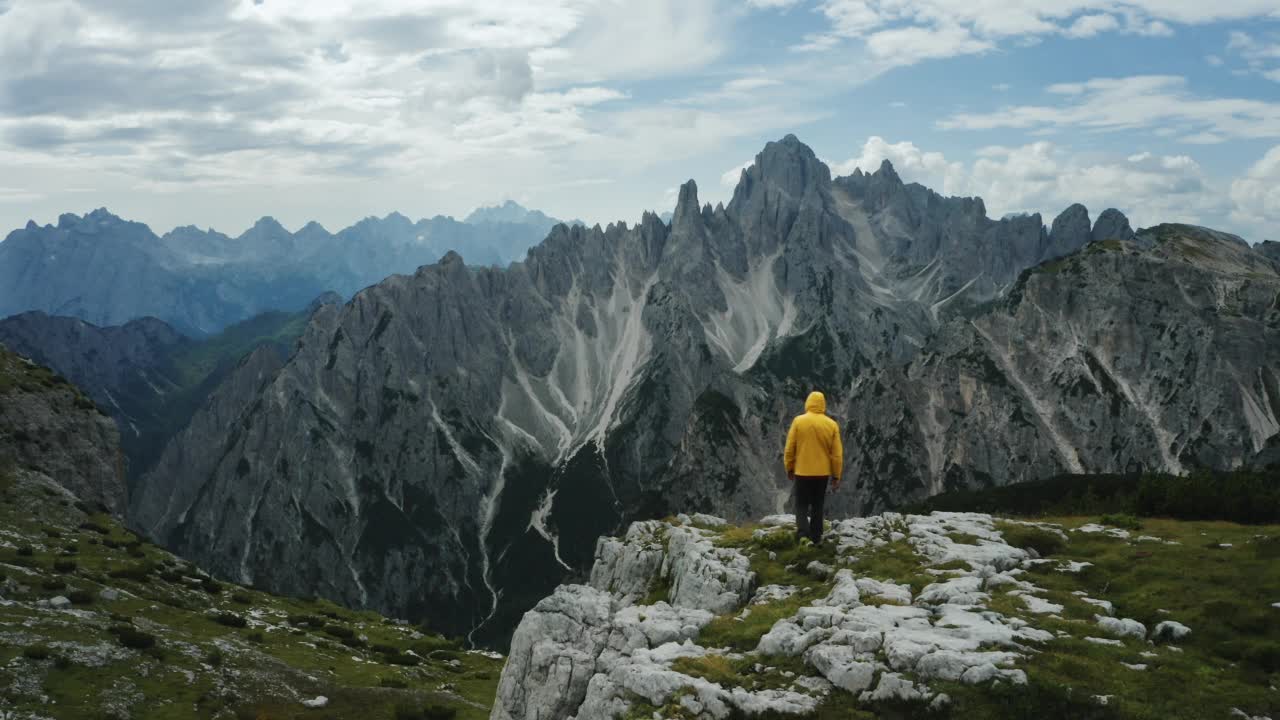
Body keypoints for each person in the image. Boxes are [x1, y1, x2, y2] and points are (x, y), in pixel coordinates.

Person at [783, 391, 844, 546]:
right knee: (818, 504)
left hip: (802, 472)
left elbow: (790, 449)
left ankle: (803, 535)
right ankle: (816, 537)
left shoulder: (798, 421)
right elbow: (837, 455)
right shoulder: (832, 424)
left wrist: (789, 467)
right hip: (822, 473)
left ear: (808, 403)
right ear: (823, 405)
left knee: (801, 504)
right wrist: (836, 476)